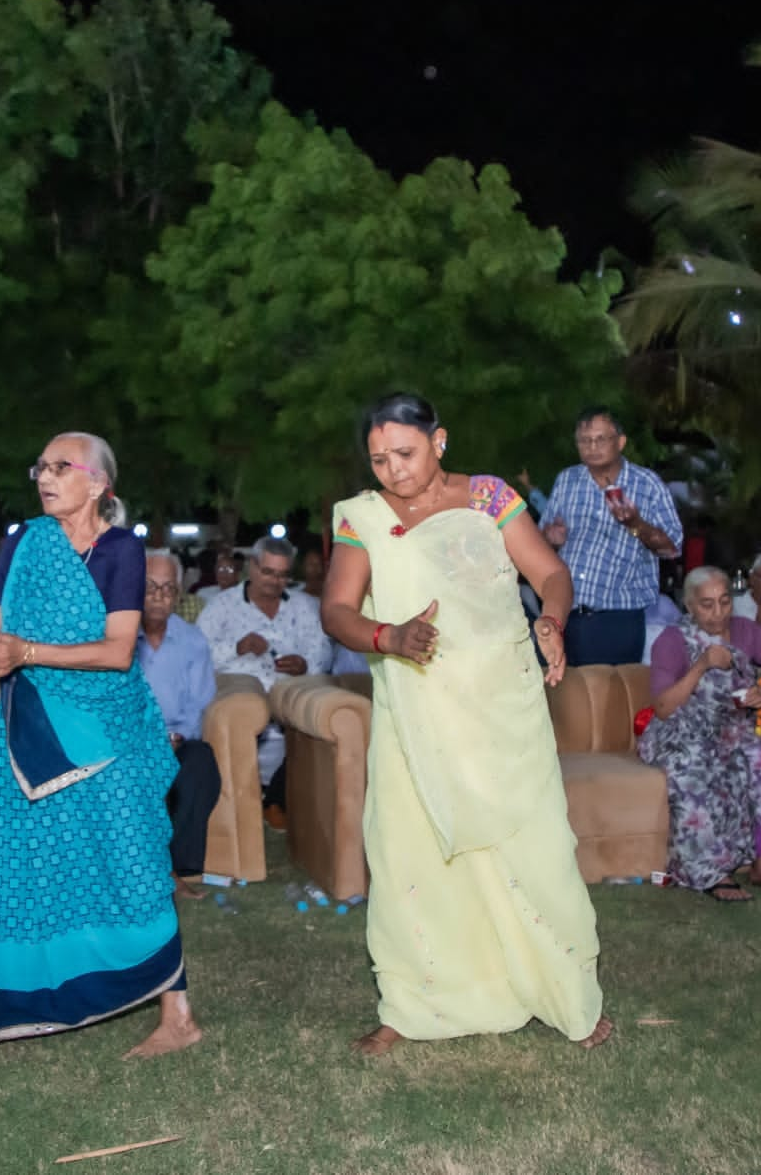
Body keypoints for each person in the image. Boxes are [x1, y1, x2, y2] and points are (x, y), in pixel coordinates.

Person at [321, 392, 610, 1056]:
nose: (392, 470)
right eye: (378, 459)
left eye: (406, 453)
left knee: (529, 846)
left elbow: (549, 572)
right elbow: (336, 609)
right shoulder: (360, 518)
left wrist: (550, 619)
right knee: (409, 852)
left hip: (500, 703)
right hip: (415, 708)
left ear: (439, 440)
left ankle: (565, 991)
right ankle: (413, 1004)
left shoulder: (489, 498)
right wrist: (386, 635)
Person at [0, 432, 199, 1058]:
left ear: (97, 483)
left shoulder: (122, 548)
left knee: (132, 864)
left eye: (60, 467)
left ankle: (178, 1015)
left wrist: (25, 653)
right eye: (39, 465)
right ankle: (2, 998)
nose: (44, 476)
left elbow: (118, 651)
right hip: (25, 723)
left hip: (106, 728)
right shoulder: (21, 543)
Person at [642, 567, 761, 901]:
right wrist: (701, 664)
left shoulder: (745, 631)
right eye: (707, 605)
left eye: (724, 602)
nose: (718, 613)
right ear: (689, 606)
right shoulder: (672, 640)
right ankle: (710, 871)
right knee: (698, 770)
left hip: (733, 729)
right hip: (681, 731)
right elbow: (663, 707)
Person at [538, 407, 681, 667]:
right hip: (563, 615)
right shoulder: (567, 480)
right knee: (565, 700)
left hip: (616, 620)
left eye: (600, 439)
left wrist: (635, 524)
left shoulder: (647, 485)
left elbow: (672, 548)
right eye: (584, 440)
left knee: (609, 702)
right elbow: (540, 542)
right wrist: (550, 539)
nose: (592, 447)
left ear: (621, 442)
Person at [196, 537, 332, 802]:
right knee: (245, 709)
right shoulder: (221, 608)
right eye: (268, 572)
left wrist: (304, 664)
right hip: (241, 700)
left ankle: (278, 802)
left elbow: (323, 652)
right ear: (252, 566)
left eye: (282, 575)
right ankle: (241, 799)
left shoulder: (304, 606)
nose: (274, 581)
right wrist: (238, 647)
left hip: (290, 697)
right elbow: (197, 657)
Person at [137, 550, 222, 889]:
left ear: (178, 594)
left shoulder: (192, 641)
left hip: (176, 740)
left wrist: (177, 737)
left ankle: (185, 872)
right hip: (128, 741)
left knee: (200, 764)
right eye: (149, 587)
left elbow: (199, 703)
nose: (158, 597)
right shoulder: (118, 638)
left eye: (167, 588)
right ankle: (140, 871)